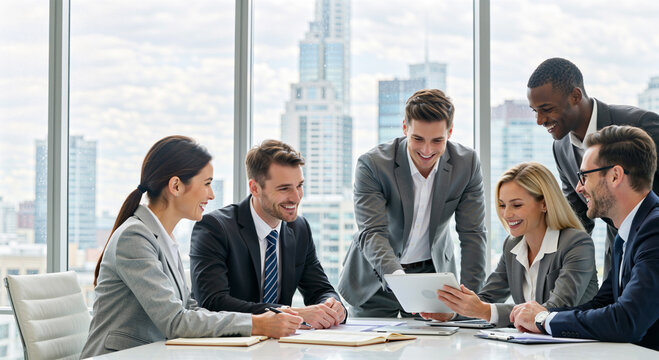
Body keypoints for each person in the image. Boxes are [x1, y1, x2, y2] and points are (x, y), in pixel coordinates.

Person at [81, 136, 303, 357]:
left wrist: (259, 321)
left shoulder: (162, 237)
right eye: (206, 184)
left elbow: (188, 307)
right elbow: (175, 321)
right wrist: (257, 323)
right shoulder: (134, 237)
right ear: (176, 186)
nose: (211, 194)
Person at [338, 89, 487, 318]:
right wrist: (399, 282)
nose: (427, 151)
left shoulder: (466, 164)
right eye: (418, 139)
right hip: (375, 279)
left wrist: (471, 302)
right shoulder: (373, 164)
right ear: (405, 128)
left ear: (450, 132)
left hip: (432, 280)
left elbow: (473, 234)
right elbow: (372, 232)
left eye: (437, 140)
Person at [511, 125, 659, 350]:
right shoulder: (626, 235)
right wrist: (544, 313)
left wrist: (543, 321)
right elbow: (603, 304)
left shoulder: (654, 229)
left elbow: (627, 320)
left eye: (584, 177)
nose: (579, 188)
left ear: (615, 176)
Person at [190, 140, 346, 329]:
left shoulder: (299, 228)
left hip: (280, 347)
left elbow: (320, 289)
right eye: (284, 188)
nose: (296, 197)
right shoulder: (215, 228)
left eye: (299, 186)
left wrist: (333, 306)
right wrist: (289, 313)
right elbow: (213, 302)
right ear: (255, 188)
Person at [527, 57, 659, 276]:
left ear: (575, 96)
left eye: (547, 109)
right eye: (535, 111)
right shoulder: (560, 148)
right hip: (617, 254)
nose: (540, 120)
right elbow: (578, 215)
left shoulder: (642, 125)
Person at [427, 162, 598, 326]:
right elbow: (487, 298)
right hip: (531, 347)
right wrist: (453, 311)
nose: (507, 214)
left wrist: (486, 311)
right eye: (502, 205)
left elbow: (556, 309)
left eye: (516, 205)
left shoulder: (577, 243)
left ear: (544, 203)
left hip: (575, 347)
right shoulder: (512, 245)